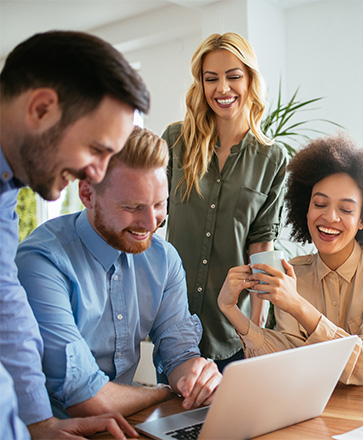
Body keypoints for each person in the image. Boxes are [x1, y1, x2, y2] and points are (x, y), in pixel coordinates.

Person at [1, 30, 149, 438]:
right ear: (42, 109)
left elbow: (6, 308)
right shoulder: (44, 255)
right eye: (97, 149)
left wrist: (38, 424)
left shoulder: (5, 189)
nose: (97, 175)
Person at [16, 127, 222, 420]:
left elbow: (179, 356)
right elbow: (85, 400)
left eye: (159, 204)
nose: (151, 223)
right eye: (132, 207)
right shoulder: (42, 262)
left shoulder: (163, 260)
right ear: (87, 193)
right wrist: (163, 392)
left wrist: (196, 380)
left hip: (126, 422)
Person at [218, 134, 363, 385]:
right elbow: (287, 359)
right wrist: (231, 310)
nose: (330, 217)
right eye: (319, 203)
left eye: (346, 209)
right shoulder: (295, 272)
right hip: (323, 401)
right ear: (306, 209)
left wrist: (297, 305)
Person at [162, 32, 287, 370]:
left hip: (232, 329)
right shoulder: (175, 141)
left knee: (236, 422)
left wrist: (257, 329)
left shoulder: (271, 157)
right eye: (211, 78)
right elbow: (150, 219)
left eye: (233, 76)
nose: (222, 89)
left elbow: (261, 244)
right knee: (175, 423)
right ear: (200, 84)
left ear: (249, 79)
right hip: (173, 321)